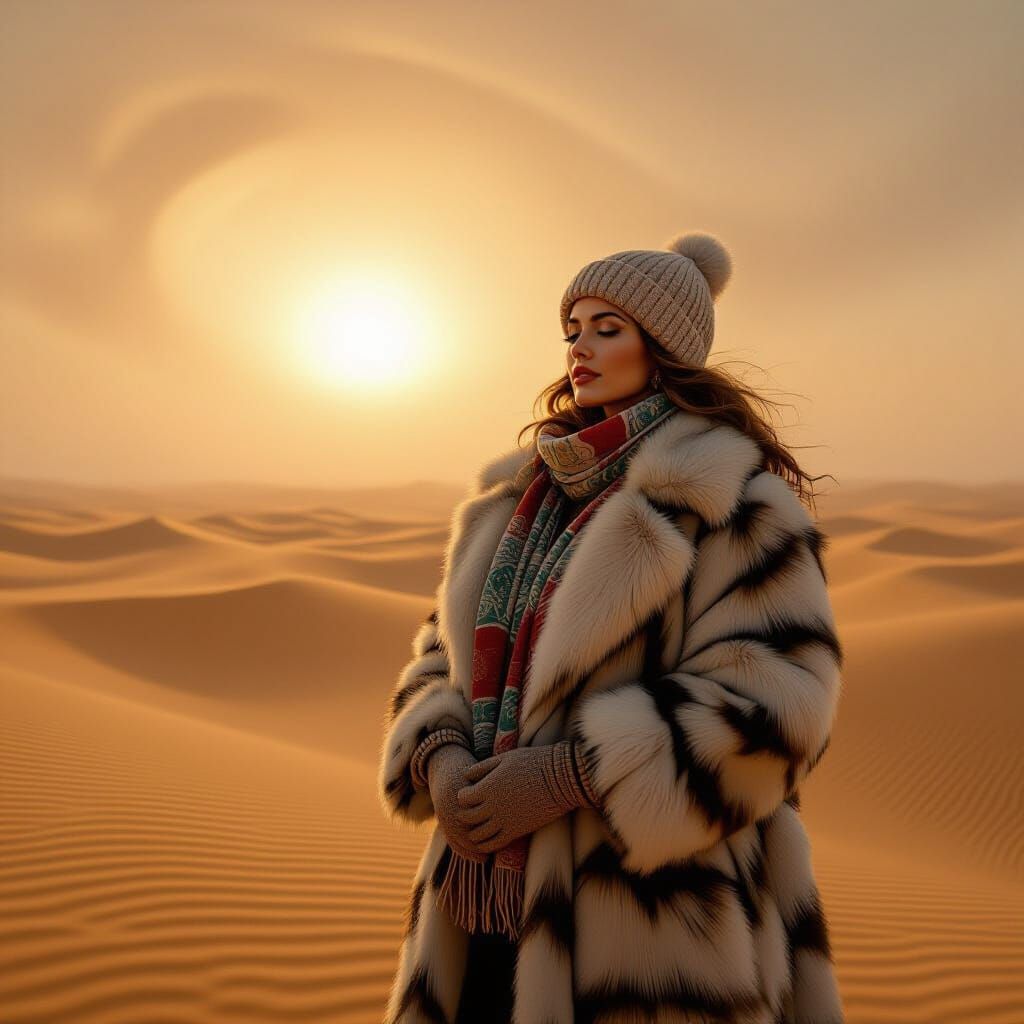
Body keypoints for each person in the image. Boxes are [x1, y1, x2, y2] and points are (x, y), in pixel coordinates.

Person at [377, 232, 845, 1024]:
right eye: (572, 329)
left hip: (650, 924)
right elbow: (438, 650)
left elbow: (782, 702)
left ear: (663, 347)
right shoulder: (516, 499)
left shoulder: (736, 505)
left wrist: (572, 775)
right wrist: (440, 755)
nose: (579, 348)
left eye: (607, 328)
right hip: (478, 907)